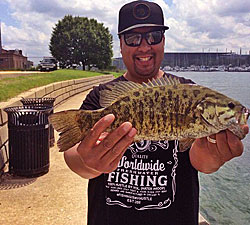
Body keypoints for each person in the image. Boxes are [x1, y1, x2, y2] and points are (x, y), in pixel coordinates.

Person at [63, 1, 249, 225]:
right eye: (133, 38)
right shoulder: (102, 95)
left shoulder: (187, 90)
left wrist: (214, 156)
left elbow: (200, 161)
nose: (144, 47)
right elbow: (72, 156)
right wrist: (89, 162)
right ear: (121, 44)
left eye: (154, 36)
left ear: (163, 42)